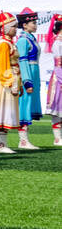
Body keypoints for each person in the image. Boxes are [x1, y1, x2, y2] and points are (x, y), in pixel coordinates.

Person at [0, 11, 22, 153]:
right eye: (13, 26)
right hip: (6, 82)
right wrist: (10, 83)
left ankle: (1, 143)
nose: (15, 29)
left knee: (9, 112)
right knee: (4, 112)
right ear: (5, 27)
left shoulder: (9, 43)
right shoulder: (3, 44)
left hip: (13, 79)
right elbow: (4, 66)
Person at [16, 8, 42, 150]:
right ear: (24, 25)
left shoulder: (31, 38)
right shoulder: (23, 40)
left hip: (34, 72)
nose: (35, 25)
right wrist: (27, 80)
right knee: (24, 104)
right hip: (28, 73)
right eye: (32, 22)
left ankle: (25, 139)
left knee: (29, 104)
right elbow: (22, 61)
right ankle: (23, 140)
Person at [44, 14, 62, 146]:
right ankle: (57, 138)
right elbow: (58, 64)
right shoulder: (58, 43)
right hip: (59, 77)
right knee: (57, 107)